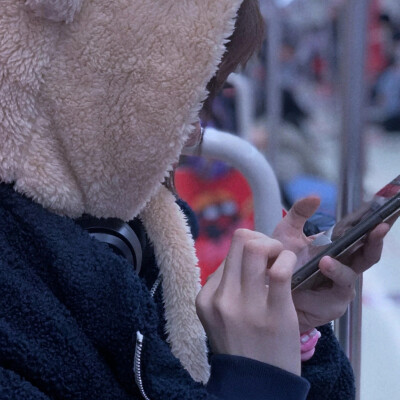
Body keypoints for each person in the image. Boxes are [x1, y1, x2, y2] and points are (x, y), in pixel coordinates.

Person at [0, 1, 396, 399]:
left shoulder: (142, 233)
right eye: (183, 103)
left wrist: (284, 329)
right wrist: (258, 382)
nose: (193, 134)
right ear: (92, 82)